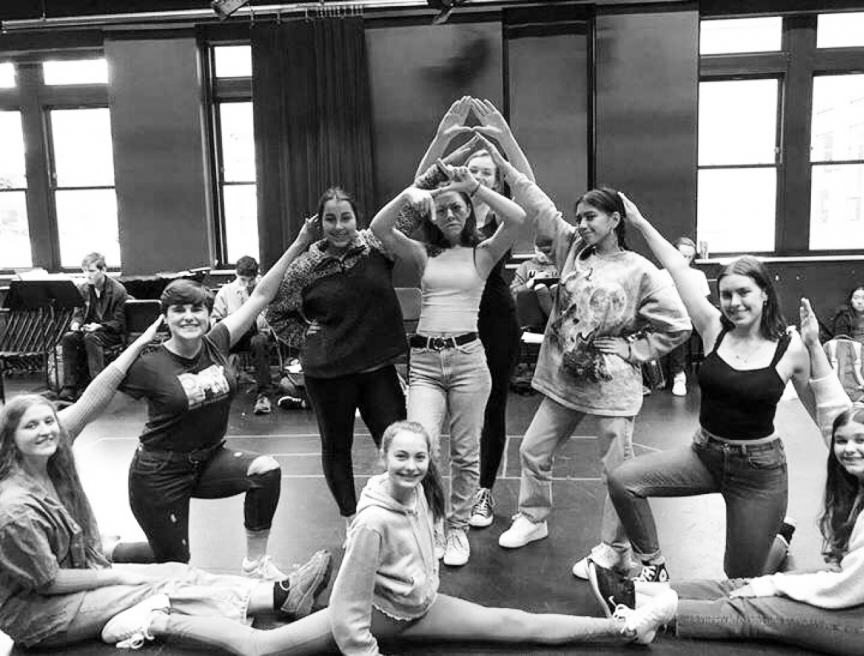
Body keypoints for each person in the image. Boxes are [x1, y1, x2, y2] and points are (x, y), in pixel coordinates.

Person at [83, 421, 675, 655]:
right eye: (402, 457)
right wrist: (366, 652)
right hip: (382, 616)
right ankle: (162, 619)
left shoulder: (423, 492)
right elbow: (347, 609)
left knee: (514, 624)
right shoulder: (370, 522)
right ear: (385, 457)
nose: (413, 465)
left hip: (421, 608)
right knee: (258, 648)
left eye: (421, 456)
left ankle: (620, 623)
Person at [0, 317, 335, 650]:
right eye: (31, 426)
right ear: (11, 439)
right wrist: (116, 574)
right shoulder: (14, 508)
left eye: (49, 421)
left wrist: (138, 343)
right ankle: (274, 600)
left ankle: (276, 596)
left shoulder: (54, 457)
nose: (46, 430)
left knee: (173, 570)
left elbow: (92, 397)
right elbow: (48, 582)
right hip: (41, 614)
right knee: (154, 586)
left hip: (77, 576)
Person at [593, 303, 864, 655]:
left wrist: (773, 589)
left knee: (760, 608)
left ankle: (666, 612)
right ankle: (637, 595)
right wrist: (814, 344)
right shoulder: (862, 476)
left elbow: (848, 588)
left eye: (862, 442)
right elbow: (833, 415)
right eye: (844, 443)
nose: (848, 449)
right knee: (751, 585)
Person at [490, 138, 692, 583]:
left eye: (591, 217)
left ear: (615, 220)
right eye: (578, 217)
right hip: (564, 382)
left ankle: (614, 549)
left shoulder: (639, 270)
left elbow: (678, 324)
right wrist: (504, 160)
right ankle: (534, 516)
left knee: (617, 474)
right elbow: (538, 203)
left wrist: (634, 349)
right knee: (532, 450)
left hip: (613, 388)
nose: (581, 224)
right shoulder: (571, 250)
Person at [604, 195, 818, 584]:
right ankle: (652, 565)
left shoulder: (792, 350)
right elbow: (675, 266)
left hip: (759, 471)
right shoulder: (712, 327)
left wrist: (861, 462)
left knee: (737, 576)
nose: (734, 303)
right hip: (704, 454)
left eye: (743, 293)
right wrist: (638, 221)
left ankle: (778, 540)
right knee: (623, 480)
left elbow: (823, 410)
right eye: (727, 294)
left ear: (765, 293)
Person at [118, 231, 312, 576]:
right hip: (158, 474)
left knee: (266, 471)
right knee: (175, 566)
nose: (189, 317)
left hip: (208, 460)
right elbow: (98, 399)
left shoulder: (217, 342)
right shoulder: (149, 365)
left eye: (197, 309)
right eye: (179, 310)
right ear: (166, 317)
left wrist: (298, 244)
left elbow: (263, 294)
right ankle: (107, 549)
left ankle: (255, 564)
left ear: (209, 314)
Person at [370, 157, 526, 567]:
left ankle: (456, 529)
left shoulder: (484, 253)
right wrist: (411, 193)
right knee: (421, 447)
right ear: (433, 216)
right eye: (443, 209)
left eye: (458, 208)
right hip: (423, 362)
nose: (451, 214)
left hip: (469, 361)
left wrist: (473, 188)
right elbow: (378, 229)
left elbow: (517, 216)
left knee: (465, 452)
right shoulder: (424, 254)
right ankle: (431, 523)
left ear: (469, 211)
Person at [413, 97, 535, 531]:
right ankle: (431, 498)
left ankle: (483, 491)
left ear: (495, 178)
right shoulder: (446, 212)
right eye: (474, 168)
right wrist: (444, 141)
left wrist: (504, 140)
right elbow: (418, 185)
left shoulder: (500, 217)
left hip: (495, 320)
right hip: (448, 321)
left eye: (487, 171)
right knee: (439, 416)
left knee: (493, 407)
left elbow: (528, 188)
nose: (477, 175)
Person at [266, 188, 409, 540]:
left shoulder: (378, 243)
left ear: (357, 218)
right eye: (330, 218)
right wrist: (307, 338)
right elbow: (277, 313)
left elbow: (412, 205)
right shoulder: (304, 268)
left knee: (397, 445)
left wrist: (447, 159)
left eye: (345, 217)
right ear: (320, 222)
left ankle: (405, 513)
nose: (339, 226)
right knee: (336, 447)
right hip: (328, 375)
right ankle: (352, 521)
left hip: (377, 371)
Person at [58, 252, 128, 402]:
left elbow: (119, 322)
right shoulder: (83, 289)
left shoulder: (118, 290)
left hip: (109, 332)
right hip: (89, 330)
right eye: (84, 271)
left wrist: (100, 326)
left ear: (103, 270)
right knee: (69, 337)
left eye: (91, 271)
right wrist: (76, 324)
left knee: (91, 338)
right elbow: (78, 313)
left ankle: (97, 387)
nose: (87, 275)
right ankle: (69, 386)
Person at [212, 255, 277, 416]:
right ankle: (218, 386)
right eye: (243, 279)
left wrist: (249, 299)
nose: (247, 284)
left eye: (251, 280)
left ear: (257, 275)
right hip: (233, 336)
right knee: (215, 340)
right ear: (236, 275)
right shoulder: (225, 292)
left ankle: (264, 394)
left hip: (256, 335)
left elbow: (267, 322)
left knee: (259, 341)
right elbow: (215, 321)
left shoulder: (265, 287)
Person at [659, 237, 710, 397]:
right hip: (670, 319)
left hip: (694, 318)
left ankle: (719, 372)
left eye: (689, 257)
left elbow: (704, 304)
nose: (686, 260)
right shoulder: (661, 275)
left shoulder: (698, 275)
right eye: (683, 256)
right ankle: (678, 376)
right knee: (679, 326)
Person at [510, 234, 560, 326]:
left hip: (557, 306)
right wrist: (531, 282)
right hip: (532, 316)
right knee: (540, 287)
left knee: (555, 287)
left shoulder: (559, 266)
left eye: (546, 252)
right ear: (535, 248)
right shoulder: (526, 266)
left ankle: (556, 322)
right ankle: (555, 323)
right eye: (539, 251)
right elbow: (513, 293)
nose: (542, 255)